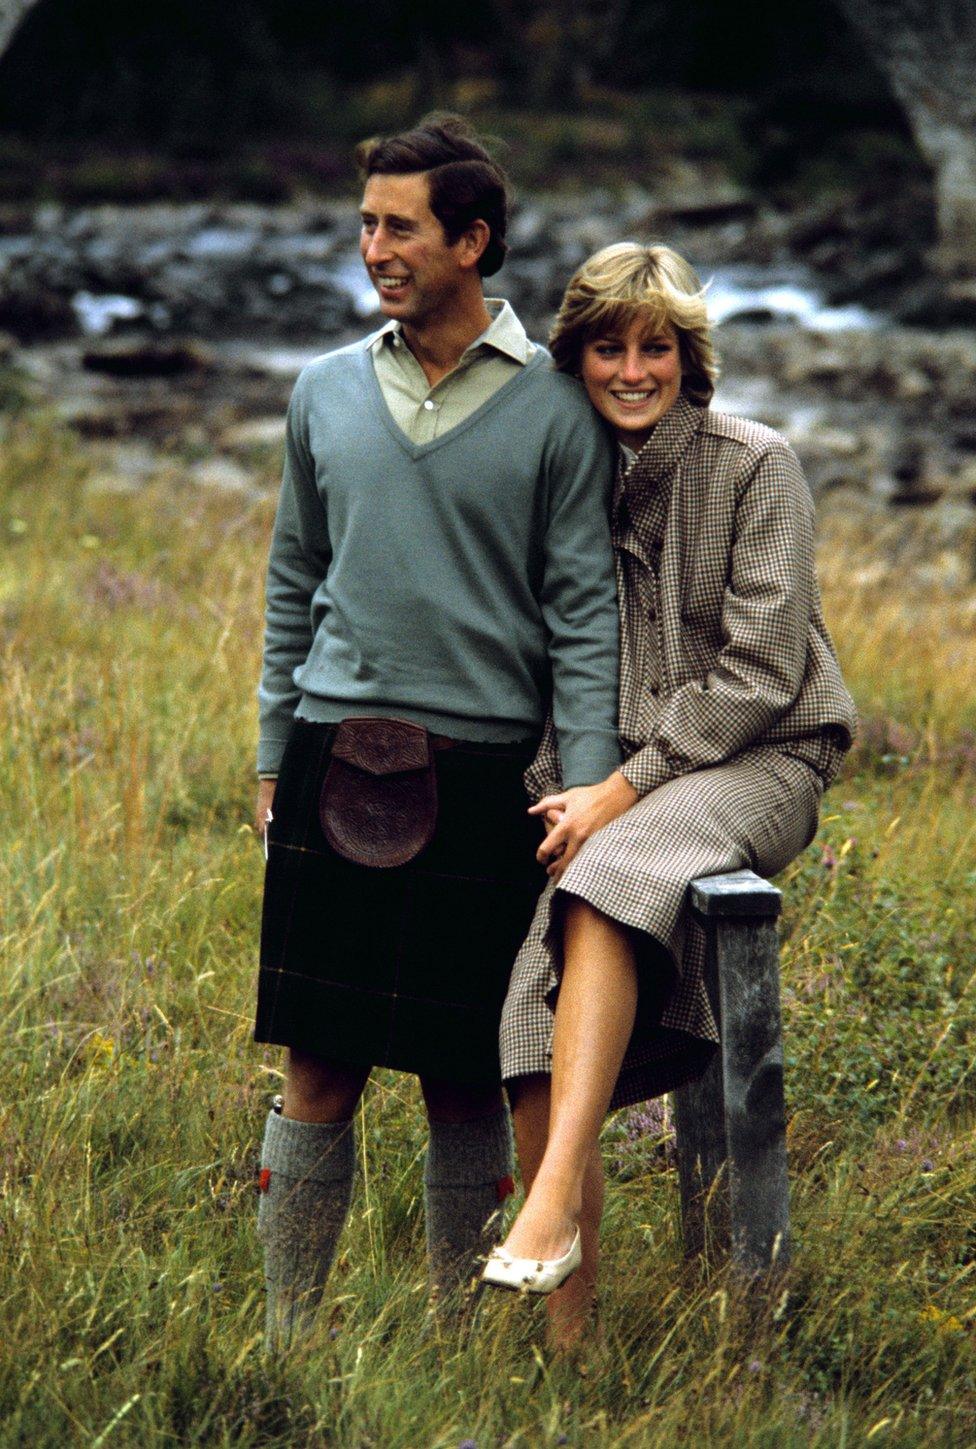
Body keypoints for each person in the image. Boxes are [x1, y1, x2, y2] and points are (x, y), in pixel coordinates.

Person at [251, 116, 622, 1347]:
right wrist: (269, 752)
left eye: (399, 226)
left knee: (467, 1078)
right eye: (365, 224)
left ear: (472, 240)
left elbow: (580, 617)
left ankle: (457, 1343)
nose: (373, 248)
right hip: (333, 752)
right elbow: (291, 579)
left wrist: (586, 792)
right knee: (319, 1067)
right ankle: (289, 1340)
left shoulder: (558, 413)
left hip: (485, 781)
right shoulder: (321, 390)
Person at [483, 243, 857, 1345]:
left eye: (656, 347)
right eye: (608, 347)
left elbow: (758, 671)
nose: (632, 370)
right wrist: (567, 789)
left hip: (762, 759)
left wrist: (620, 790)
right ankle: (570, 1349)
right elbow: (543, 663)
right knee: (524, 1027)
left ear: (691, 359)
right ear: (576, 358)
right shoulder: (565, 482)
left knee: (612, 872)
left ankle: (544, 1206)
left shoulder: (756, 463)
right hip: (614, 790)